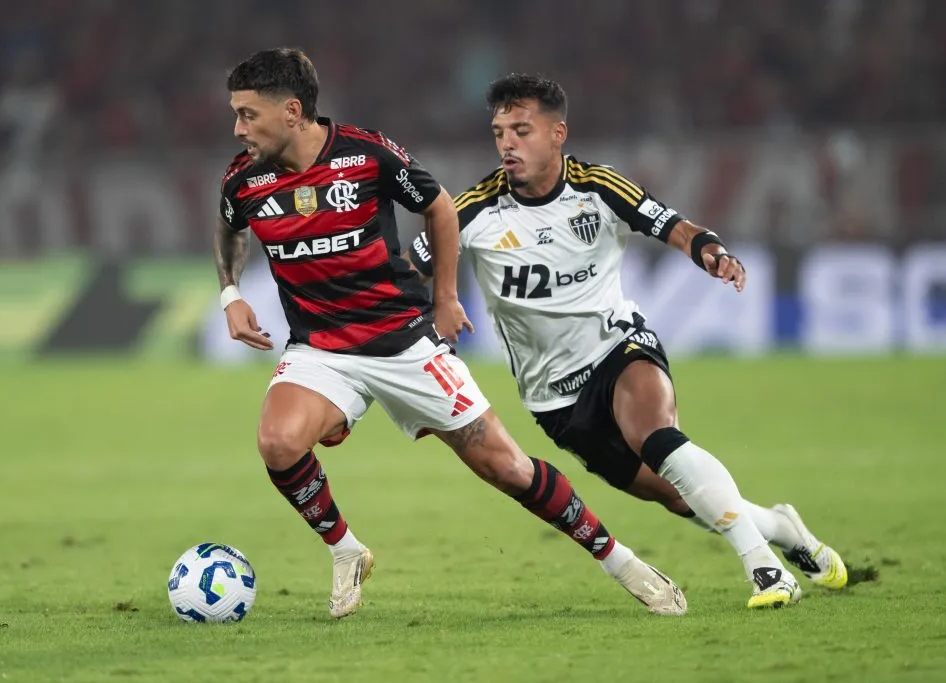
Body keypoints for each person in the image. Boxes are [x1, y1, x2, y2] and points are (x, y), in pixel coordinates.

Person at [214, 49, 687, 619]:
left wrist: (444, 298)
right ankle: (346, 551)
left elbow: (439, 208)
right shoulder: (244, 176)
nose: (238, 128)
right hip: (321, 349)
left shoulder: (366, 154)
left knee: (507, 469)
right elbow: (228, 224)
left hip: (403, 341)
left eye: (248, 114)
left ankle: (622, 561)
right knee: (278, 442)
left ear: (292, 111)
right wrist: (231, 293)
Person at [403, 73, 848, 609]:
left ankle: (767, 572)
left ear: (557, 133)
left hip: (617, 346)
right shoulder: (472, 210)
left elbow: (672, 224)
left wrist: (711, 252)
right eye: (499, 132)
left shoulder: (598, 188)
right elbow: (408, 273)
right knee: (680, 499)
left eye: (521, 130)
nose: (507, 144)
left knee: (658, 439)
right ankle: (783, 528)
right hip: (555, 400)